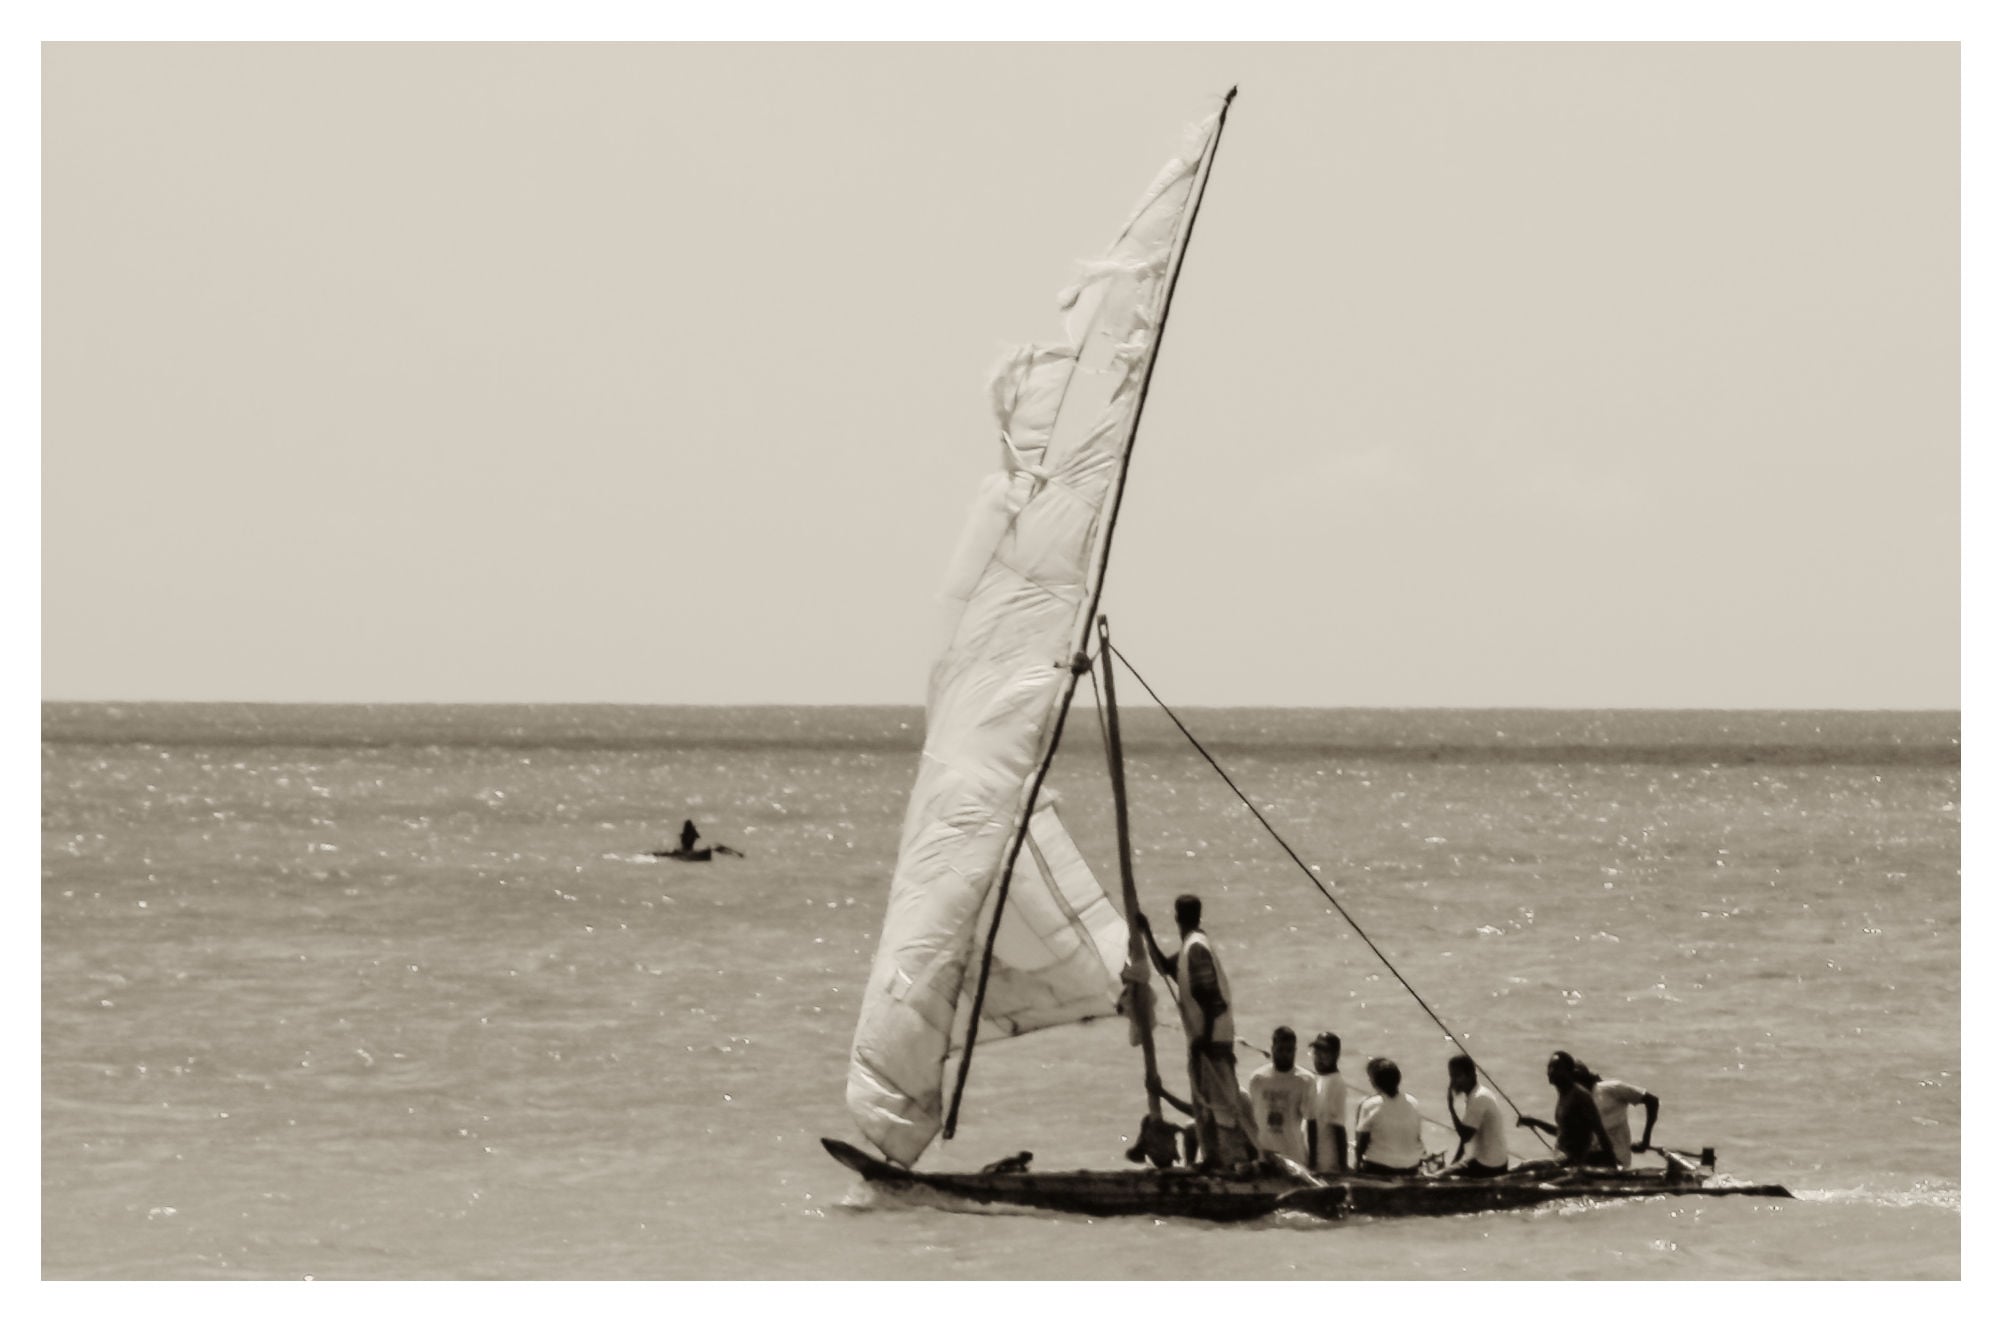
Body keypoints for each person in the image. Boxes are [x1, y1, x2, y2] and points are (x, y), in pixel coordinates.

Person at [1136, 896, 1258, 1168]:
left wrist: (1203, 1039)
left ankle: (1232, 1162)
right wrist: (1146, 933)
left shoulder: (1196, 949)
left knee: (1221, 1107)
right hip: (1207, 1042)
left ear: (1176, 916)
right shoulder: (1190, 948)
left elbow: (1214, 1000)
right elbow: (1163, 968)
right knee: (1205, 1108)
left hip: (1212, 1043)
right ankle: (1214, 1161)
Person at [1515, 1051, 1617, 1167]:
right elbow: (1563, 1132)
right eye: (1549, 1067)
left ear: (1569, 1072)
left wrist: (1614, 1167)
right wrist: (1534, 1121)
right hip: (1560, 1158)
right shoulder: (1564, 1094)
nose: (1551, 1072)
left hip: (1571, 1163)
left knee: (1523, 1167)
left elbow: (1600, 1132)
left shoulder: (1580, 1096)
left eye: (1556, 1068)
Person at [1246, 1027, 1314, 1166]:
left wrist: (1313, 1161)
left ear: (1295, 1050)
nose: (1285, 1054)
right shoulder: (1258, 1078)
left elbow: (1312, 1122)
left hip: (1293, 1155)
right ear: (1272, 1048)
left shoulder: (1305, 1080)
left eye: (1289, 1050)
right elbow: (1251, 1119)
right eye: (1280, 1049)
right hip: (1264, 1155)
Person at [1573, 1061, 1660, 1168]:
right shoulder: (1577, 1101)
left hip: (1616, 1159)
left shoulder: (1611, 1088)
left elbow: (1652, 1101)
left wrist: (1645, 1141)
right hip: (1591, 1159)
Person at [1438, 1054, 1511, 1177]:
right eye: (1451, 1076)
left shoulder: (1478, 1098)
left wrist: (1451, 1108)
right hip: (1497, 1162)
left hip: (1488, 1165)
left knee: (1436, 1177)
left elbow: (1465, 1136)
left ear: (1470, 1075)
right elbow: (1465, 1136)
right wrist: (1454, 1162)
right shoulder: (1478, 1094)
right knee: (1450, 1171)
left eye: (1457, 1076)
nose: (1453, 1082)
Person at [1354, 1057, 1427, 1176]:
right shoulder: (1413, 1102)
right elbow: (1417, 1137)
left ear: (1374, 1081)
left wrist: (1357, 1163)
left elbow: (1362, 1140)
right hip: (1411, 1166)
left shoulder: (1369, 1104)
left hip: (1379, 1167)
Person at [1306, 1031, 1350, 1175]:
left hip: (1325, 1162)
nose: (1319, 1056)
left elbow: (1339, 1127)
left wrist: (1343, 1165)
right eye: (1316, 1051)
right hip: (1309, 1158)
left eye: (1324, 1052)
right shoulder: (1318, 1079)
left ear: (1336, 1055)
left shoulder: (1336, 1083)